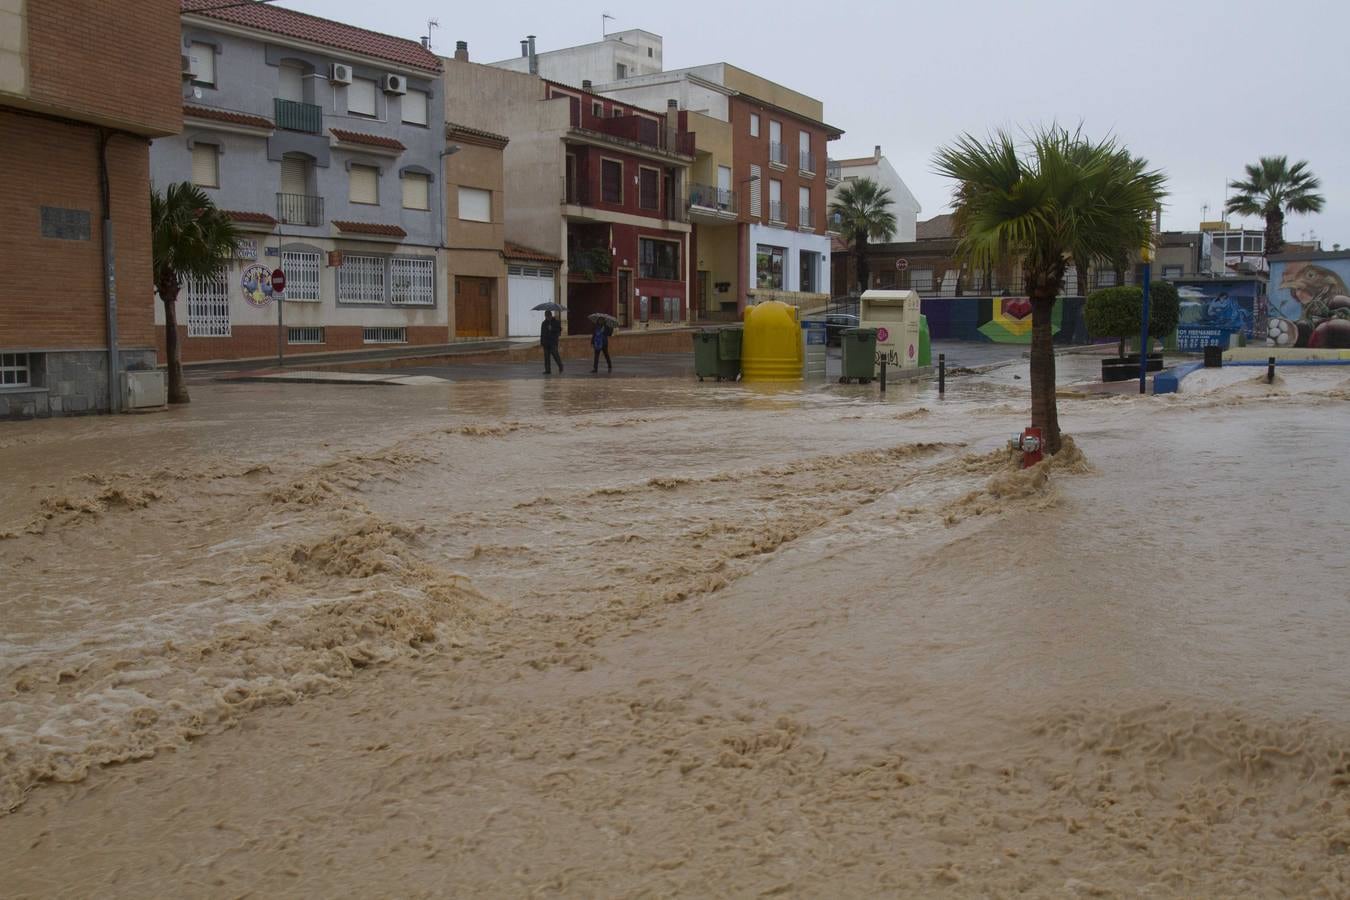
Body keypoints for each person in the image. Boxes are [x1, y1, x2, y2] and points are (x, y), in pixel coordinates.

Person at [540, 310, 563, 374]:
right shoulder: (544, 323)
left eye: (548, 315)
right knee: (546, 357)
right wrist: (541, 342)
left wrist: (552, 329)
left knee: (555, 355)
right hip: (546, 343)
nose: (547, 317)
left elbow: (559, 330)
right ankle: (547, 370)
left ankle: (560, 366)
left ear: (551, 315)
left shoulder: (556, 322)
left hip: (553, 342)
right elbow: (542, 333)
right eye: (546, 316)